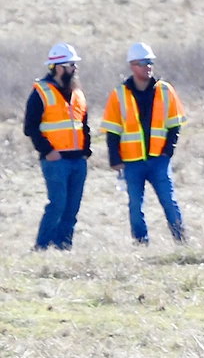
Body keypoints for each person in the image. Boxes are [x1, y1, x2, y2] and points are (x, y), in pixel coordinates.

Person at [100, 43, 187, 244]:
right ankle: (141, 243)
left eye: (150, 62)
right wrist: (115, 159)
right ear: (132, 65)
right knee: (135, 206)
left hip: (159, 160)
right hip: (132, 161)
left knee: (169, 202)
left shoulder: (166, 90)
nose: (148, 67)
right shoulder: (119, 94)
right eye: (142, 63)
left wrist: (168, 151)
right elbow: (112, 131)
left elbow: (175, 124)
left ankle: (181, 241)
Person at [24, 43, 91, 251]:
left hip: (77, 160)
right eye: (72, 65)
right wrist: (48, 151)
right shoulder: (41, 92)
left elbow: (84, 125)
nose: (75, 69)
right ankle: (41, 247)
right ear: (59, 67)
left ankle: (64, 247)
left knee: (72, 208)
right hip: (55, 161)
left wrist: (86, 151)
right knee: (57, 204)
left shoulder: (77, 93)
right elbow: (30, 127)